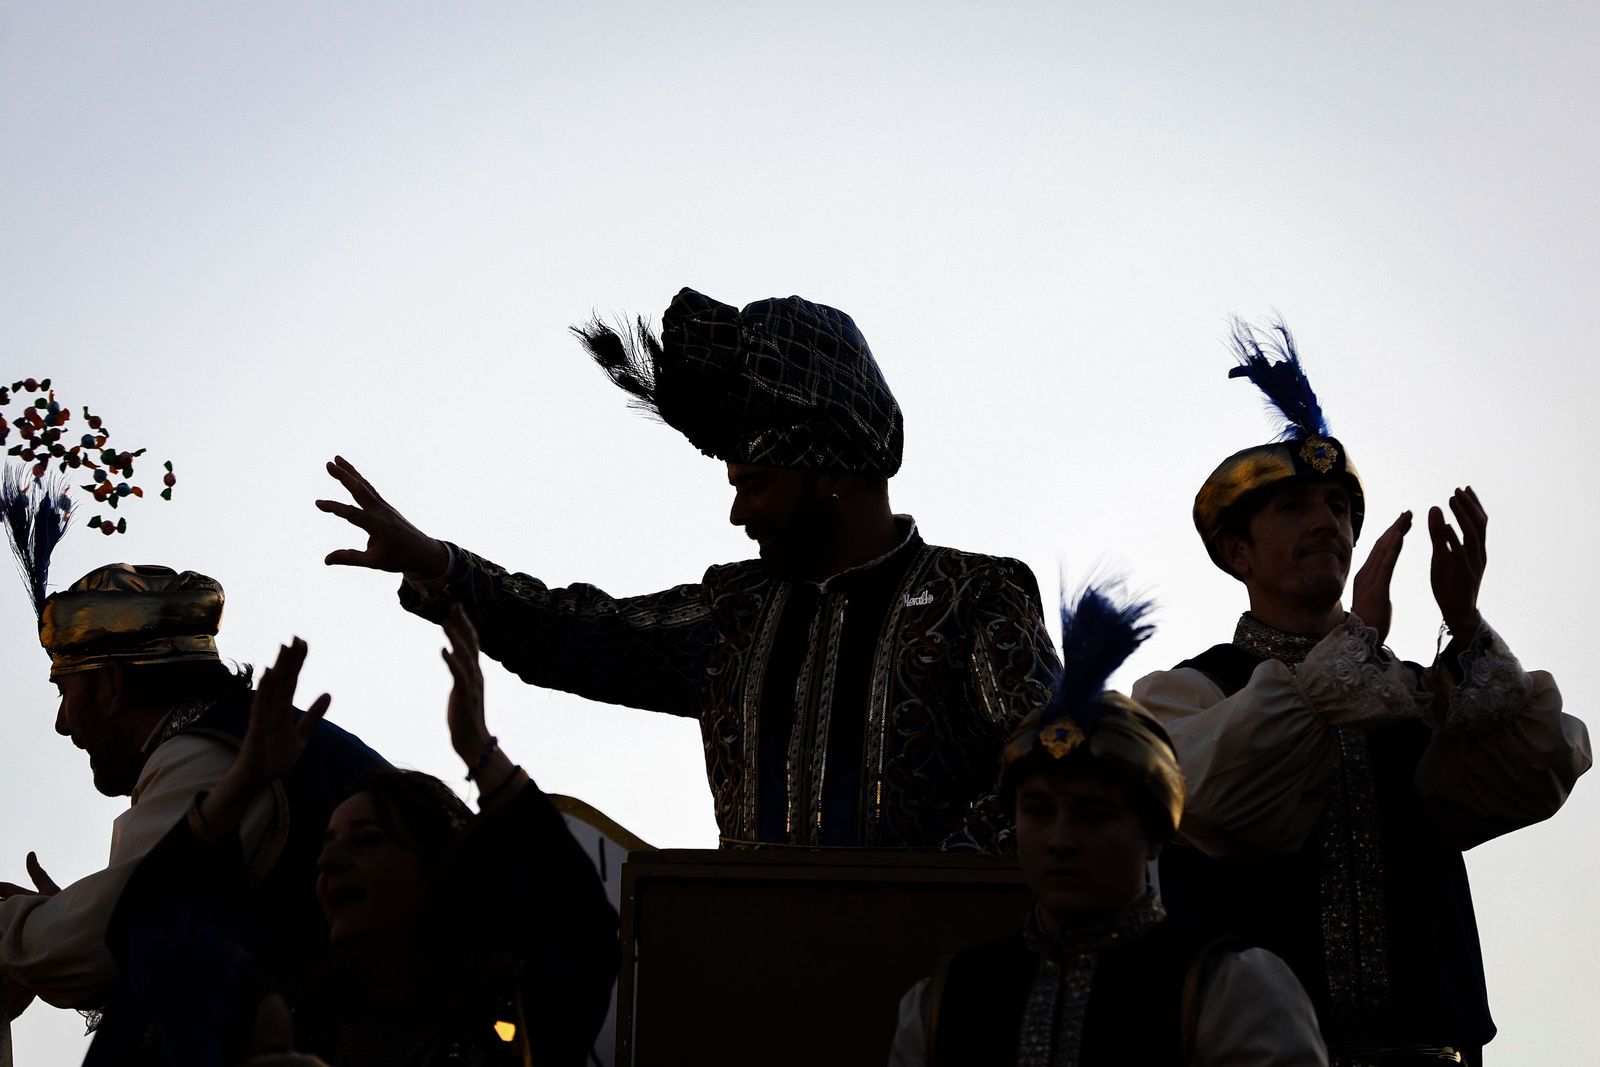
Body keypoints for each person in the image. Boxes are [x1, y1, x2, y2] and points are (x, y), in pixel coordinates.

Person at [318, 287, 1059, 849]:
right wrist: (438, 564)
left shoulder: (976, 596)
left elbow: (1048, 772)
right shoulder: (734, 610)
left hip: (939, 980)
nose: (738, 513)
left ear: (834, 470)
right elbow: (573, 632)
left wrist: (909, 898)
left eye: (756, 484)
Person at [1130, 319, 1592, 1066]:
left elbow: (1533, 775)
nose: (1327, 523)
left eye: (1339, 508)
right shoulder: (1185, 693)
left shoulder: (1415, 691)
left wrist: (1466, 626)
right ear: (1237, 551)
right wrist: (1355, 645)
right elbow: (1212, 799)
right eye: (1293, 508)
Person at [105, 606, 618, 1065]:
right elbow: (150, 940)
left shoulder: (508, 1031)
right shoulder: (286, 1034)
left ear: (434, 870)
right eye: (326, 847)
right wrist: (243, 781)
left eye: (367, 840)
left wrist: (479, 748)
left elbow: (579, 927)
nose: (330, 863)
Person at [889, 583, 1327, 1066]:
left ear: (1156, 834)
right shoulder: (945, 1003)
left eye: (1094, 813)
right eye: (1038, 811)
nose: (1061, 839)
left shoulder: (1230, 993)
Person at [0, 559, 386, 1054]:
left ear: (112, 685)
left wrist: (18, 927)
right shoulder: (232, 735)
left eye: (64, 690)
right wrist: (63, 918)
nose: (61, 723)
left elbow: (108, 941)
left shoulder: (209, 753)